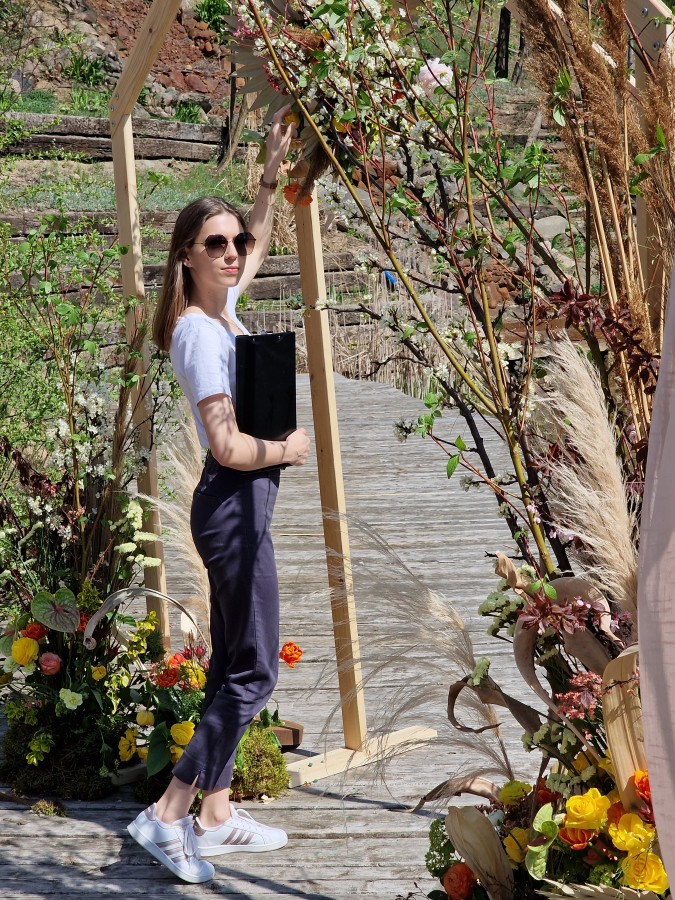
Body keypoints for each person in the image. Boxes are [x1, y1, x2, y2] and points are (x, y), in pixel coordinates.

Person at [127, 106, 311, 884]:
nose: (233, 253)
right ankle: (168, 811)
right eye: (216, 244)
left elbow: (260, 241)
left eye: (234, 242)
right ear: (186, 256)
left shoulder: (219, 308)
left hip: (241, 511)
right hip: (233, 507)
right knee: (255, 668)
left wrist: (266, 178)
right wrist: (286, 451)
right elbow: (227, 446)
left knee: (232, 661)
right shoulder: (200, 336)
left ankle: (216, 811)